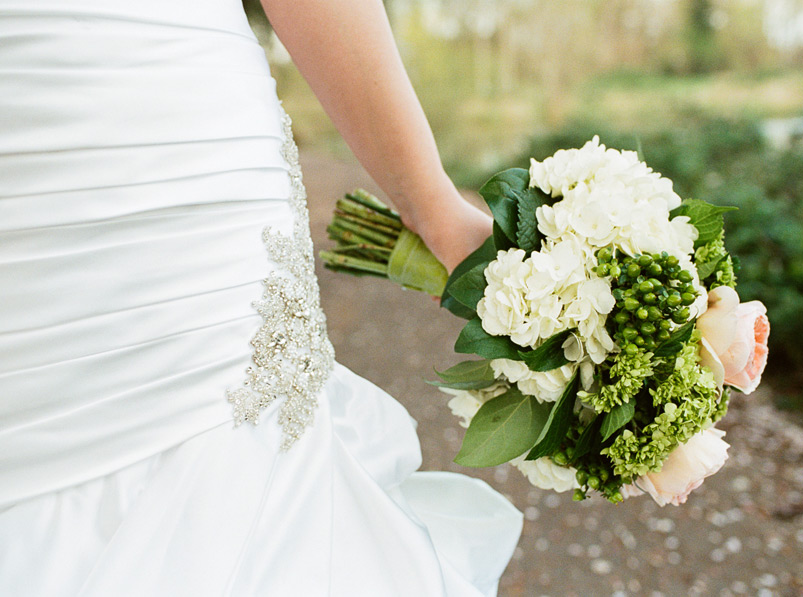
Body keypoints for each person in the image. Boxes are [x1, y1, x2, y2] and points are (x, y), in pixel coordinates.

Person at [0, 0, 523, 595]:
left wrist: (438, 212)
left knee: (234, 455)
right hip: (143, 106)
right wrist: (432, 209)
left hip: (168, 131)